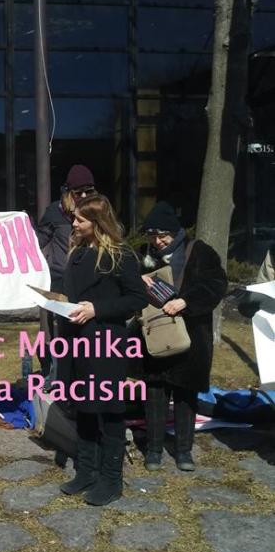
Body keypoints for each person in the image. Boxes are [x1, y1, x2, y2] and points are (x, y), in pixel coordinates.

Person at [57, 194, 147, 506]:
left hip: (106, 344)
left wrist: (97, 309)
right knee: (83, 408)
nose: (75, 224)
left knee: (109, 411)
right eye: (75, 219)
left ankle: (112, 479)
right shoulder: (77, 254)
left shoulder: (120, 255)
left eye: (81, 220)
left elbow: (136, 299)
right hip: (75, 343)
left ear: (97, 223)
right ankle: (87, 470)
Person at [139, 201, 227, 472]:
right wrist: (137, 280)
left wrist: (186, 301)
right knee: (155, 393)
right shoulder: (142, 254)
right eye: (152, 236)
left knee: (186, 394)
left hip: (192, 335)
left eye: (162, 235)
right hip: (155, 333)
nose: (157, 241)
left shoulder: (199, 251)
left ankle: (183, 451)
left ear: (174, 232)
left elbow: (215, 285)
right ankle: (153, 450)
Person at [36, 165, 98, 379]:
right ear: (67, 192)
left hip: (89, 281)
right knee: (60, 333)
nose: (82, 196)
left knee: (86, 332)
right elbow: (38, 241)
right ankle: (58, 377)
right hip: (60, 281)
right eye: (77, 192)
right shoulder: (54, 212)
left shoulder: (97, 210)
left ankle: (84, 377)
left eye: (88, 191)